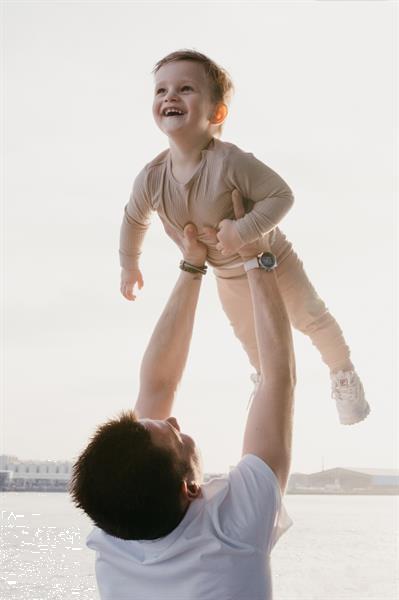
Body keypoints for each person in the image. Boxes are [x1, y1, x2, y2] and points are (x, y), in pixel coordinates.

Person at [119, 49, 369, 425]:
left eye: (185, 88)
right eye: (161, 90)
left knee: (311, 317)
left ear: (216, 114)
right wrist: (129, 263)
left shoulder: (230, 163)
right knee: (252, 338)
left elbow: (282, 195)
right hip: (228, 274)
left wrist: (242, 230)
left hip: (273, 260)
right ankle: (268, 386)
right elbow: (133, 219)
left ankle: (343, 374)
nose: (170, 97)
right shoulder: (152, 177)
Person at [70, 190, 296, 600]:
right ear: (189, 488)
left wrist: (193, 265)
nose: (175, 421)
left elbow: (158, 385)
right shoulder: (233, 528)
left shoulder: (118, 532)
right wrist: (257, 255)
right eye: (179, 438)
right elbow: (277, 378)